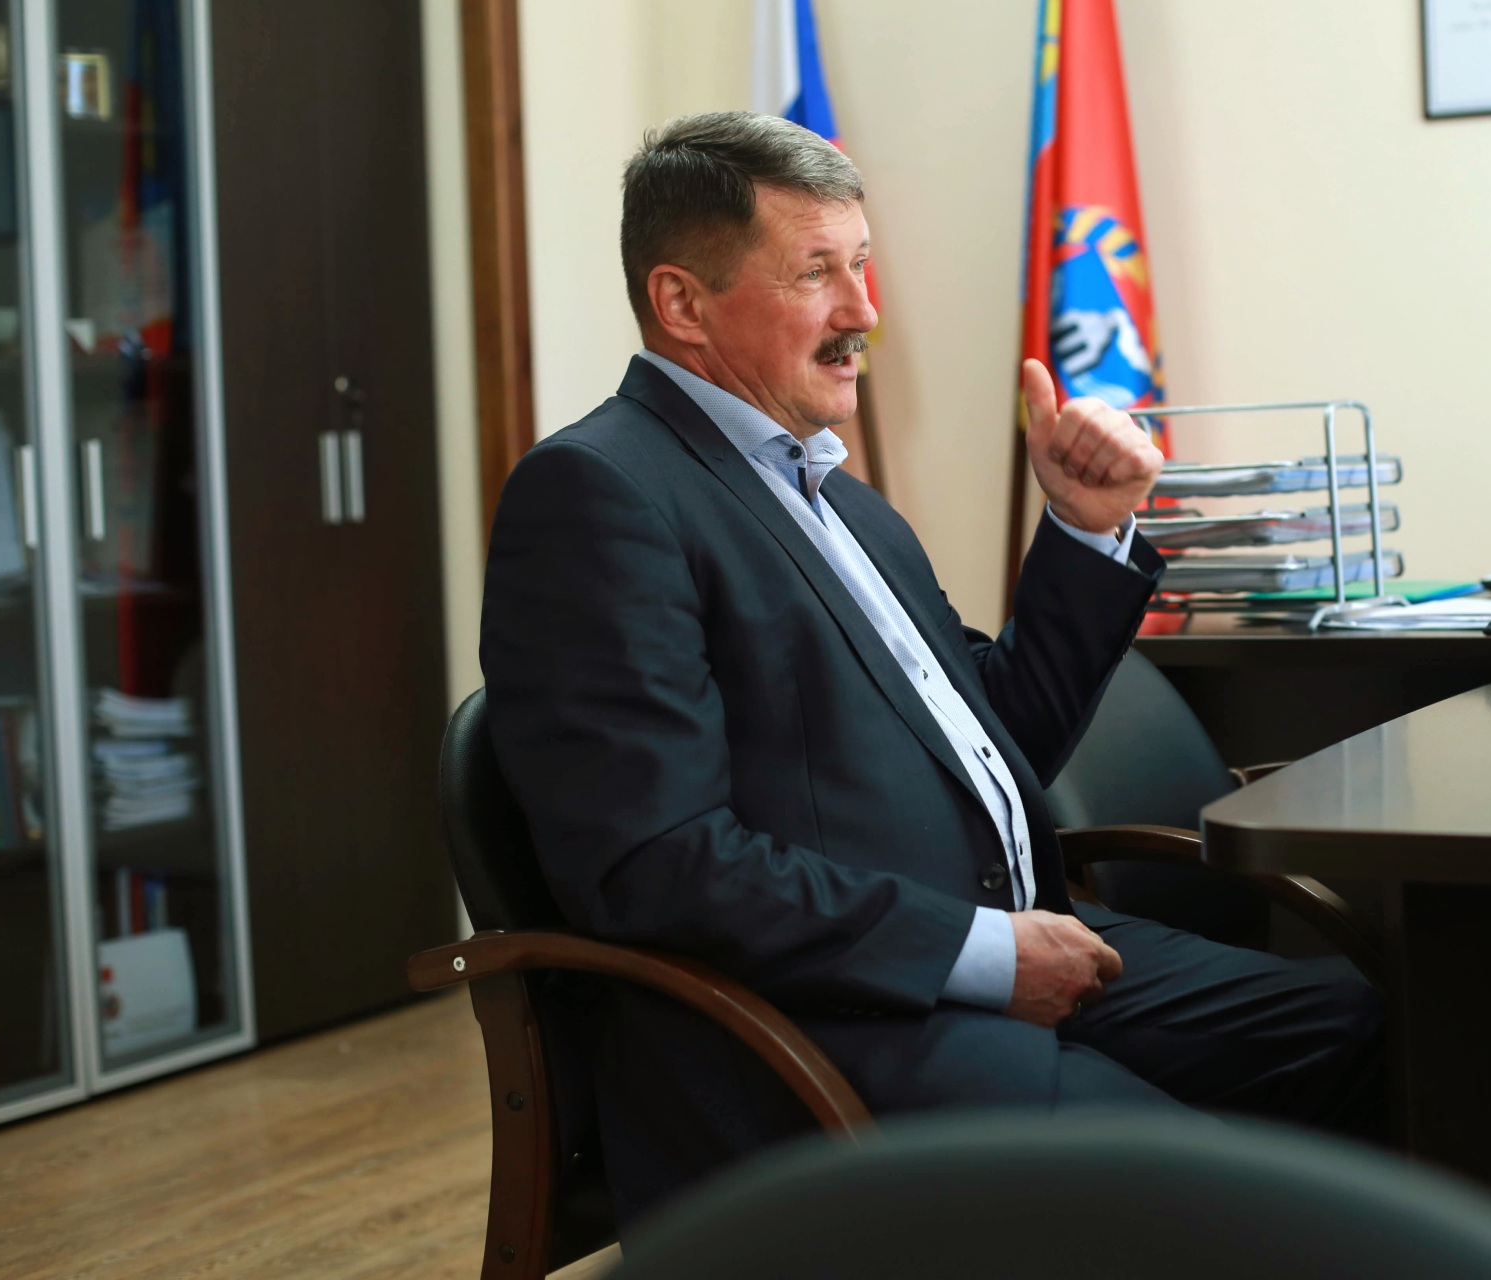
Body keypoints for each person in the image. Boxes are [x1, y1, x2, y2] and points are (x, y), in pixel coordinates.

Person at [480, 111, 1384, 1219]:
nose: (864, 311)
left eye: (861, 265)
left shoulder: (840, 501)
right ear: (682, 303)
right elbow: (658, 864)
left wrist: (1085, 529)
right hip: (829, 1018)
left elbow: (998, 731)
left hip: (1002, 950)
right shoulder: (598, 494)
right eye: (816, 272)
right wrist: (981, 953)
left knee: (1368, 1032)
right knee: (1205, 1189)